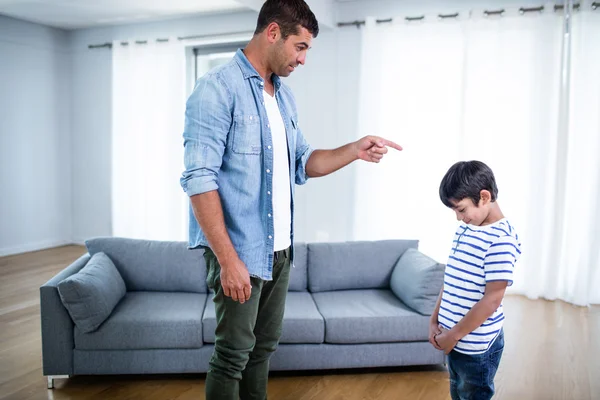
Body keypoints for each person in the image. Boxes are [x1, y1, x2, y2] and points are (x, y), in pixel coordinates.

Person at [179, 1, 402, 398]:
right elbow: (199, 180)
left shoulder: (283, 99)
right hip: (240, 252)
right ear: (272, 33)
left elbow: (303, 162)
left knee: (262, 350)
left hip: (280, 251)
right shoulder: (216, 88)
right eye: (300, 47)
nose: (303, 59)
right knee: (232, 354)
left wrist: (354, 149)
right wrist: (229, 261)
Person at [430, 160, 522, 400]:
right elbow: (451, 278)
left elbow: (492, 300)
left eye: (461, 209)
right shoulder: (466, 229)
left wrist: (454, 335)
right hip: (454, 340)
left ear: (484, 196)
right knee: (457, 392)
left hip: (475, 347)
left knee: (472, 394)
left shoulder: (501, 240)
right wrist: (435, 318)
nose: (458, 218)